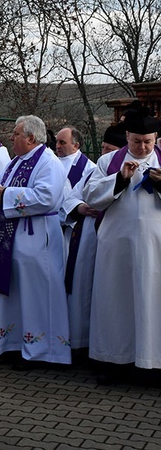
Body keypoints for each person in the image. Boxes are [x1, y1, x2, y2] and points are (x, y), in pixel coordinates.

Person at [83, 107, 161, 376]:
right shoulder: (108, 162)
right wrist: (120, 179)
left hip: (155, 246)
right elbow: (90, 195)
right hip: (116, 244)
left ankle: (152, 362)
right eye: (137, 141)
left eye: (148, 142)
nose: (142, 147)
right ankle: (113, 359)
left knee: (153, 300)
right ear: (127, 136)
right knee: (115, 299)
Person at [0, 115, 71, 369]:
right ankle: (14, 344)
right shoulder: (16, 161)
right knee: (16, 293)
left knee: (37, 294)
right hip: (13, 238)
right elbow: (3, 185)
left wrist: (6, 195)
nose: (11, 138)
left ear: (31, 138)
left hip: (36, 239)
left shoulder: (49, 163)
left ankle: (39, 350)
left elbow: (47, 197)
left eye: (15, 133)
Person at [59, 124, 126, 355]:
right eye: (103, 147)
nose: (104, 153)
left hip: (113, 240)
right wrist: (81, 207)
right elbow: (70, 198)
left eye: (110, 149)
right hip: (87, 237)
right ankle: (80, 341)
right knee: (82, 289)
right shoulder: (93, 171)